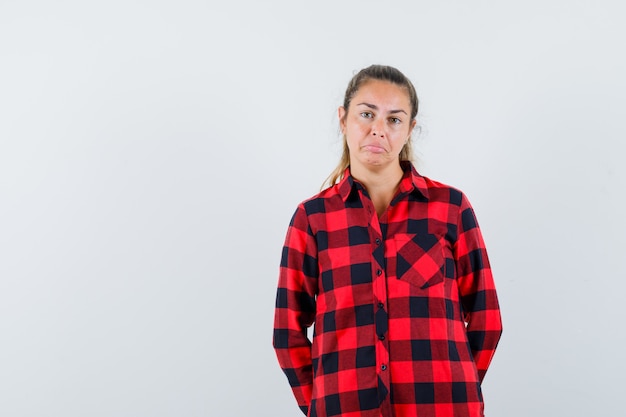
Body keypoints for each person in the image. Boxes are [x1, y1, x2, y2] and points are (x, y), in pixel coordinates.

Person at [273, 64, 502, 417]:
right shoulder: (312, 219)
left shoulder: (451, 209)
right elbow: (287, 332)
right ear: (343, 119)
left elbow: (487, 319)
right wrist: (322, 404)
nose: (378, 130)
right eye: (367, 114)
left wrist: (458, 387)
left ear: (410, 129)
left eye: (394, 120)